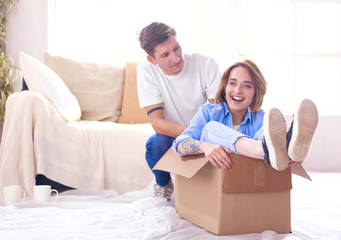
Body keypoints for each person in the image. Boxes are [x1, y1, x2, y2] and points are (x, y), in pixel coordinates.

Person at [172, 58, 318, 171]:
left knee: (266, 131)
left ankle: (287, 149)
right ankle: (264, 149)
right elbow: (179, 144)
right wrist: (205, 147)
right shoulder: (208, 112)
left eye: (247, 85)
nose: (238, 90)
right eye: (233, 83)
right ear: (224, 87)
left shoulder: (261, 118)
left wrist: (292, 159)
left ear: (256, 92)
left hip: (247, 178)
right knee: (211, 128)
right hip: (215, 179)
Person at [137, 22, 221, 201]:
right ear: (152, 60)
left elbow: (218, 114)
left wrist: (203, 139)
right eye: (165, 55)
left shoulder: (205, 64)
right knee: (155, 143)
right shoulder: (146, 71)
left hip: (206, 134)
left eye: (176, 48)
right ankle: (163, 183)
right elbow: (157, 123)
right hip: (175, 135)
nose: (176, 58)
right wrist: (191, 137)